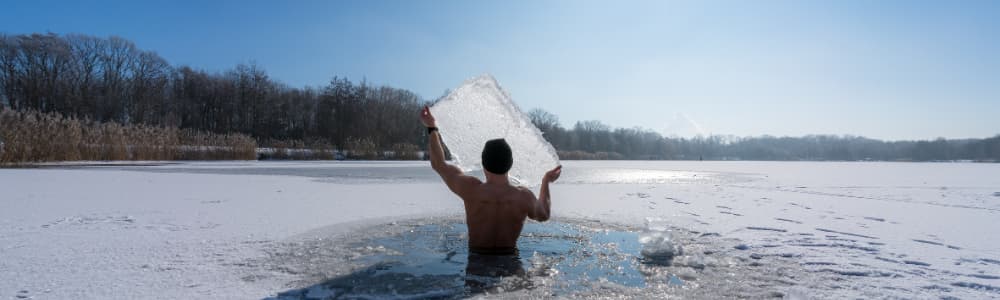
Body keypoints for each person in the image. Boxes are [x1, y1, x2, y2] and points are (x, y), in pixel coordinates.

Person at [420, 106, 562, 255]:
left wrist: (432, 127)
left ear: (484, 164)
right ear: (510, 164)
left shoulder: (471, 189)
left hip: (477, 261)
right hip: (509, 261)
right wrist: (546, 181)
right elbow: (543, 215)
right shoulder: (523, 197)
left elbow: (439, 165)